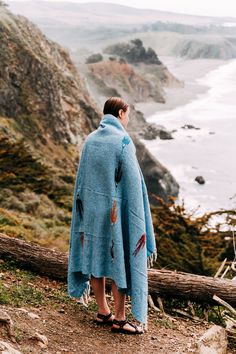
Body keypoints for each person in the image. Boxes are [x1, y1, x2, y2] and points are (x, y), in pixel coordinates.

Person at [67, 97, 157, 334]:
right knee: (119, 262)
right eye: (127, 114)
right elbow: (133, 185)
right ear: (119, 113)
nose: (128, 119)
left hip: (91, 213)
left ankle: (102, 311)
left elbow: (82, 181)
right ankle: (119, 318)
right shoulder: (123, 142)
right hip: (114, 215)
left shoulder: (90, 139)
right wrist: (135, 216)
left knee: (94, 260)